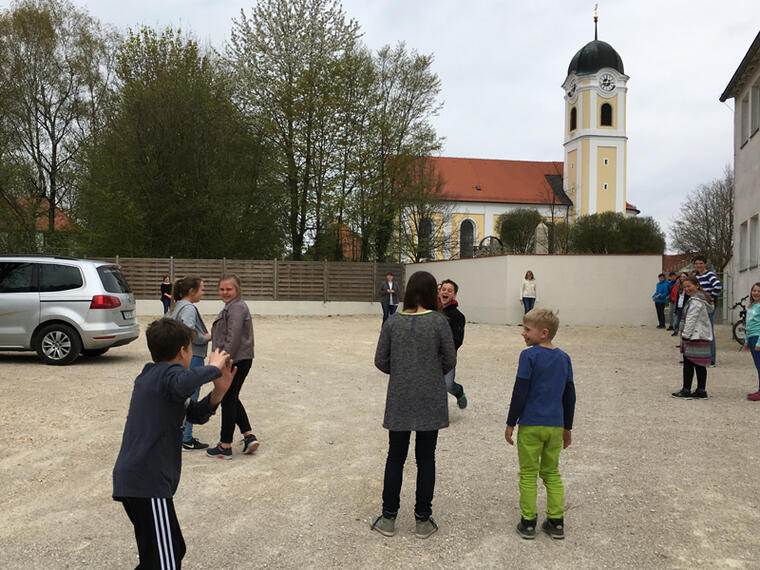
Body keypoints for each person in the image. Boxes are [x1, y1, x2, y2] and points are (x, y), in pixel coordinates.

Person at [113, 318, 235, 568]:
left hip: (140, 483)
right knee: (165, 562)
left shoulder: (157, 380)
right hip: (147, 483)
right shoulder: (168, 376)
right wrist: (213, 367)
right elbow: (184, 381)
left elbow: (196, 415)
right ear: (183, 350)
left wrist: (218, 391)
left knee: (171, 550)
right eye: (191, 349)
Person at [371, 270, 456, 540]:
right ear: (433, 292)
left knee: (395, 456)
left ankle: (388, 518)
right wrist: (430, 372)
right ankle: (422, 519)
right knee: (426, 457)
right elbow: (450, 359)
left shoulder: (393, 322)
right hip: (430, 396)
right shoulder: (439, 322)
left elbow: (380, 360)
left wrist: (402, 372)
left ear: (408, 292)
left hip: (400, 397)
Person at [505, 307, 575, 540]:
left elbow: (520, 392)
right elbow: (569, 396)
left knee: (527, 473)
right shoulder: (564, 358)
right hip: (555, 426)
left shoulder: (529, 356)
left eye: (527, 330)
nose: (523, 333)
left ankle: (528, 522)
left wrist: (510, 422)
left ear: (543, 333)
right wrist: (567, 427)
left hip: (531, 425)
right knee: (551, 473)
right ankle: (556, 521)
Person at [206, 275, 259, 460]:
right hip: (238, 358)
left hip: (234, 360)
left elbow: (233, 336)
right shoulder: (233, 306)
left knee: (228, 399)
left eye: (229, 289)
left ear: (237, 289)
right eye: (222, 289)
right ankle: (248, 435)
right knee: (232, 397)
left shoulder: (236, 307)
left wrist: (222, 361)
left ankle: (225, 445)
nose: (225, 292)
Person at [169, 276, 211, 451]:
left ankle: (179, 435)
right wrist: (205, 337)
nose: (203, 292)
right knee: (191, 396)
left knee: (182, 395)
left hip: (184, 356)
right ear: (192, 291)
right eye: (201, 289)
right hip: (193, 356)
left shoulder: (177, 306)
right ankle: (186, 438)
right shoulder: (188, 308)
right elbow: (188, 330)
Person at [672, 276, 714, 399]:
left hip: (694, 336)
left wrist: (685, 335)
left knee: (689, 363)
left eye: (689, 286)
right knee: (700, 364)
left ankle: (686, 389)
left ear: (697, 285)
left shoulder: (695, 302)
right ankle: (701, 390)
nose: (686, 289)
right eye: (684, 287)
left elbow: (691, 320)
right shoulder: (701, 299)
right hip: (700, 335)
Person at [439, 279, 468, 409]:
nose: (445, 292)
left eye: (449, 291)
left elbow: (458, 340)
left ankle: (459, 392)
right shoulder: (431, 311)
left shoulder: (458, 316)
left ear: (454, 294)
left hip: (448, 356)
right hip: (430, 355)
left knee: (447, 384)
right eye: (443, 289)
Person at [693, 255, 722, 365]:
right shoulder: (697, 276)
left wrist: (710, 298)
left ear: (705, 264)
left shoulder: (709, 274)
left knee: (709, 331)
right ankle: (701, 356)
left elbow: (718, 286)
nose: (699, 265)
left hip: (706, 306)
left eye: (701, 263)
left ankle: (712, 360)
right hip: (698, 306)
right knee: (700, 331)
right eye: (697, 264)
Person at [744, 283, 760, 401]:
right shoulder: (751, 306)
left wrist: (759, 343)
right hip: (751, 337)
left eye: (759, 291)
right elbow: (748, 324)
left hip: (758, 337)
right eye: (754, 290)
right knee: (757, 366)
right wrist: (746, 340)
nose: (756, 293)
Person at [671, 272, 689, 337]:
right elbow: (678, 298)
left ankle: (683, 335)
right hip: (679, 306)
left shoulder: (689, 286)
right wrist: (676, 309)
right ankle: (676, 331)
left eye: (684, 277)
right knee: (677, 321)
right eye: (681, 277)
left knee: (683, 322)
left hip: (685, 307)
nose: (682, 278)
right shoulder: (679, 286)